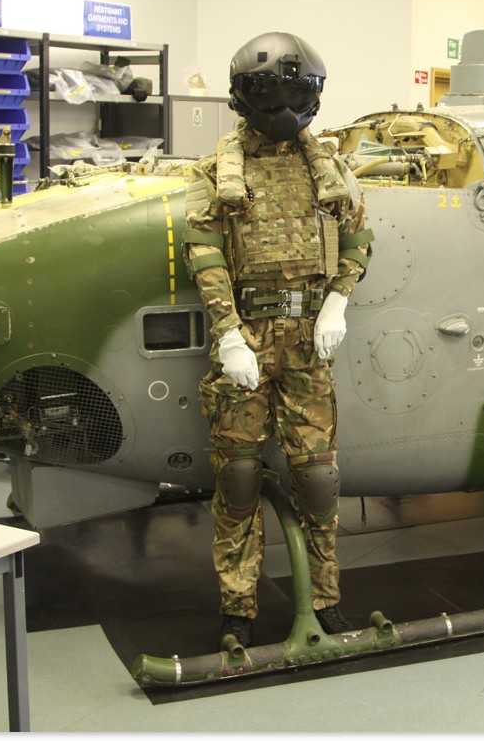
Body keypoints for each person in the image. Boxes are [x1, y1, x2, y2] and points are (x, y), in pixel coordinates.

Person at [182, 32, 372, 648]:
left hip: (309, 341)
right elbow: (205, 254)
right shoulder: (216, 173)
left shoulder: (331, 170)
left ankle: (325, 599)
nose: (286, 108)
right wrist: (229, 335)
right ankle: (237, 607)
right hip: (246, 336)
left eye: (297, 92)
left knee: (317, 480)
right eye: (273, 94)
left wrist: (338, 300)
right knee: (237, 478)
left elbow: (357, 240)